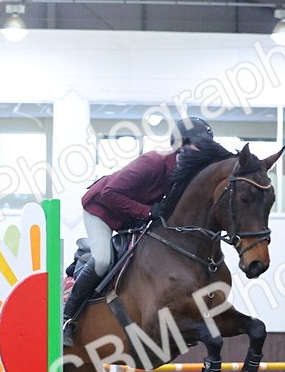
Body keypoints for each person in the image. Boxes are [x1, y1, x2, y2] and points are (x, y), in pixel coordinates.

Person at [63, 116, 214, 346]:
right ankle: (67, 316)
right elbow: (110, 193)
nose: (203, 151)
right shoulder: (153, 162)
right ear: (181, 144)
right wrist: (147, 211)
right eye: (199, 145)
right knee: (102, 261)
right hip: (101, 210)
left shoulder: (185, 172)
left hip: (130, 216)